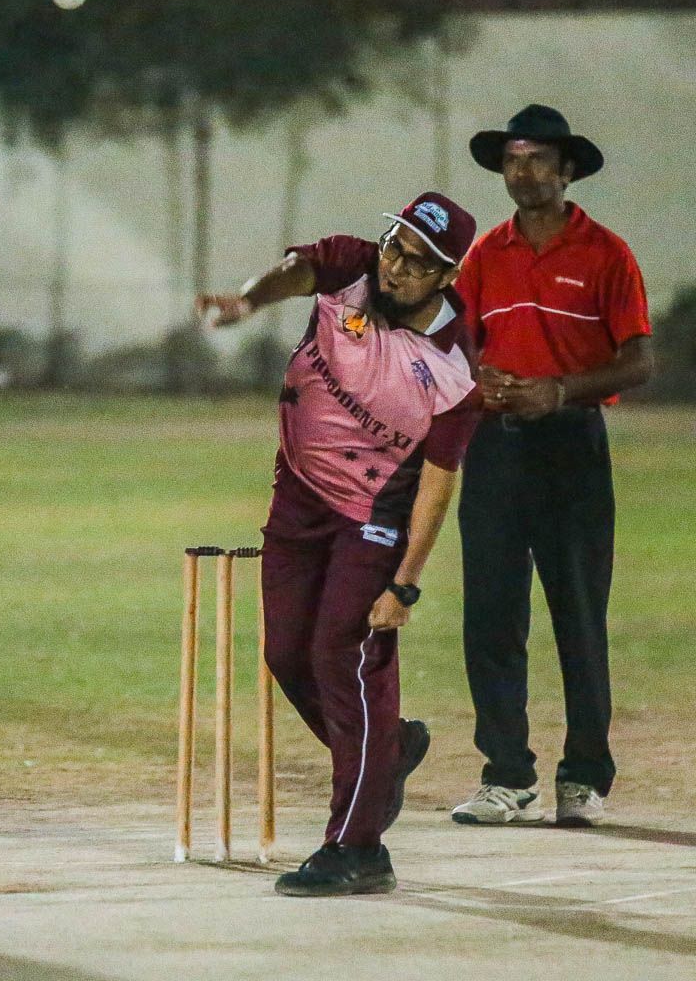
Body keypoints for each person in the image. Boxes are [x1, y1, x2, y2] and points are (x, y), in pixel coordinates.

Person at [197, 192, 479, 896]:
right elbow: (297, 270)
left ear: (447, 276)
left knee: (341, 656)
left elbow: (439, 482)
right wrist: (247, 301)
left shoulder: (454, 365)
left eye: (417, 263)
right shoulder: (353, 266)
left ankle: (358, 849)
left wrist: (405, 583)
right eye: (394, 247)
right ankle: (388, 750)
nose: (395, 268)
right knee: (287, 653)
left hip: (373, 516)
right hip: (298, 493)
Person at [451, 104, 653, 828]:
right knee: (491, 617)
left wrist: (559, 391)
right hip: (495, 449)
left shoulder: (606, 253)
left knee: (578, 615)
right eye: (513, 160)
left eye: (538, 159)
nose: (523, 172)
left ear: (567, 171)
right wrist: (479, 381)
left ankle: (584, 777)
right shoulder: (486, 254)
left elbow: (640, 359)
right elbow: (458, 345)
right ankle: (507, 777)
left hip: (572, 447)